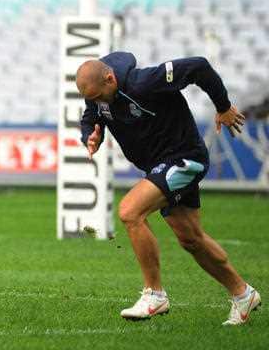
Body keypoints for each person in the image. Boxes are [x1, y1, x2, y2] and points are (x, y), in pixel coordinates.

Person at [76, 51, 260, 325]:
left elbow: (199, 66)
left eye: (97, 97)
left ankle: (155, 294)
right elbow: (91, 116)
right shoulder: (98, 93)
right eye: (90, 99)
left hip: (184, 158)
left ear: (110, 79)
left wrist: (222, 107)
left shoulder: (147, 81)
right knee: (191, 239)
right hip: (160, 166)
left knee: (130, 211)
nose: (95, 103)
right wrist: (90, 135)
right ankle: (243, 294)